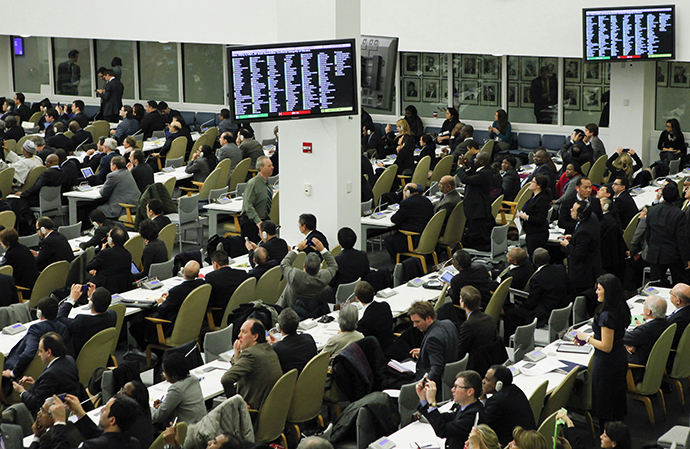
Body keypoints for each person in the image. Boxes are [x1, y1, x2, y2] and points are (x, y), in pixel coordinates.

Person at [575, 274, 630, 428]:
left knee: (605, 404)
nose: (596, 292)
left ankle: (606, 436)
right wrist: (593, 337)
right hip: (619, 358)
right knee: (615, 404)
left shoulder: (606, 315)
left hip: (606, 364)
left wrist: (586, 338)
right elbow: (610, 336)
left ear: (608, 291)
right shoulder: (620, 307)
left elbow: (606, 346)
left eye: (599, 289)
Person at [504, 248, 572, 343]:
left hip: (544, 314)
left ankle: (512, 342)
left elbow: (532, 302)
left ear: (534, 260)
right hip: (561, 307)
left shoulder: (536, 278)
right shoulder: (561, 269)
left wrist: (520, 305)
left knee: (511, 315)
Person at [13, 332, 85, 416]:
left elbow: (34, 403)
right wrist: (36, 384)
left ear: (49, 352)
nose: (39, 355)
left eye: (40, 351)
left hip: (52, 415)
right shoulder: (69, 360)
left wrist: (21, 391)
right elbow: (56, 386)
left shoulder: (51, 375)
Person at [3, 297, 68, 386]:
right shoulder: (63, 328)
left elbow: (28, 353)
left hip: (19, 376)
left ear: (39, 313)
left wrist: (12, 373)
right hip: (49, 374)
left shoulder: (36, 329)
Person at [221, 319, 283, 410]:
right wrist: (237, 355)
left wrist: (238, 403)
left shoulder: (250, 355)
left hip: (252, 412)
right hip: (273, 410)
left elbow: (226, 379)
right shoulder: (268, 349)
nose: (239, 336)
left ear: (255, 337)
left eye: (244, 332)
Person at [416, 370, 485, 449]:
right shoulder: (464, 407)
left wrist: (432, 402)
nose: (452, 389)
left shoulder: (472, 414)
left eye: (457, 387)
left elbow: (442, 430)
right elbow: (441, 418)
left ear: (470, 392)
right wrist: (423, 398)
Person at [50, 394, 141, 449]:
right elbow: (103, 437)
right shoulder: (134, 443)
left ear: (112, 420)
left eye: (105, 409)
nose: (101, 410)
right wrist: (79, 413)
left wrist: (59, 421)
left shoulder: (92, 446)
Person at [644, 183, 690, 285]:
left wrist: (652, 246)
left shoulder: (652, 210)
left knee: (656, 284)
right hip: (673, 255)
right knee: (679, 284)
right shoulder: (679, 214)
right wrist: (686, 258)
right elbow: (681, 238)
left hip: (655, 253)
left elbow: (648, 233)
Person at [278, 238, 337, 318]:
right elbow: (333, 265)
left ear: (304, 265)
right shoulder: (324, 277)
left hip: (293, 314)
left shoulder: (296, 276)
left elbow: (284, 264)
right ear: (319, 267)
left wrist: (297, 249)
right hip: (314, 313)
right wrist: (323, 250)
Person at [481, 365, 536, 446]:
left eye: (487, 380)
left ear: (498, 384)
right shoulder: (516, 390)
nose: (483, 381)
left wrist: (482, 398)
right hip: (530, 440)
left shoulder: (496, 402)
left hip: (515, 444)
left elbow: (482, 426)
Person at [408, 301, 458, 386]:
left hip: (436, 384)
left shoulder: (432, 338)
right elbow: (447, 348)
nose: (414, 325)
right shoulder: (449, 324)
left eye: (417, 322)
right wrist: (424, 351)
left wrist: (423, 385)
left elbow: (436, 369)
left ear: (428, 318)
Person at [149, 261, 204, 338]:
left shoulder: (176, 291)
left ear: (183, 271)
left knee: (136, 327)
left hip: (172, 328)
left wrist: (160, 302)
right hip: (193, 324)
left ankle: (153, 349)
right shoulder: (202, 285)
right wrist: (170, 296)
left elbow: (162, 310)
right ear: (197, 274)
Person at [57, 285, 117, 355]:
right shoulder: (113, 315)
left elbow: (60, 318)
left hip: (81, 357)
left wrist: (71, 299)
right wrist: (93, 297)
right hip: (103, 354)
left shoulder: (82, 321)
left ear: (91, 303)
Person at [151, 353, 206, 428]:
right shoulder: (193, 379)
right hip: (202, 425)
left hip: (188, 431)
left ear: (172, 374)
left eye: (165, 372)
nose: (164, 375)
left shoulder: (176, 389)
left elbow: (157, 417)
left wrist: (150, 409)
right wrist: (165, 404)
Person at [560, 200, 602, 296]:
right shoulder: (592, 217)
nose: (571, 210)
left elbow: (579, 254)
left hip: (582, 273)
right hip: (593, 263)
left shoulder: (583, 232)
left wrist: (567, 245)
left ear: (580, 216)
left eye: (574, 210)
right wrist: (573, 238)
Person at [622, 295, 668, 381]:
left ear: (648, 311)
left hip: (638, 370)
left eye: (644, 304)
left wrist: (626, 344)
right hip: (653, 364)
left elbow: (622, 337)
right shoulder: (665, 322)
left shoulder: (646, 330)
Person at [384, 183, 434, 261]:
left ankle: (401, 263)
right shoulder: (426, 200)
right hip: (426, 236)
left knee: (389, 240)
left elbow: (394, 219)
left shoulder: (407, 203)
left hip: (413, 238)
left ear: (407, 192)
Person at [456, 152, 494, 249]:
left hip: (478, 208)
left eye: (476, 159)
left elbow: (466, 180)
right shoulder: (483, 170)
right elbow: (472, 176)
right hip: (476, 206)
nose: (474, 160)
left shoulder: (484, 173)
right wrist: (467, 166)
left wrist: (460, 167)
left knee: (477, 233)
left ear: (481, 161)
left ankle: (477, 248)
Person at [85, 226, 134, 294]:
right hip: (122, 288)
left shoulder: (105, 253)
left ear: (111, 240)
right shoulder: (127, 254)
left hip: (104, 288)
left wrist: (101, 251)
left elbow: (89, 266)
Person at [270, 308, 317, 374]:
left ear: (279, 327)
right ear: (298, 325)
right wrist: (278, 343)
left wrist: (277, 345)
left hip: (290, 383)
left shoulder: (276, 349)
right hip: (310, 379)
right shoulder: (308, 338)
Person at [240, 156, 274, 243]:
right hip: (252, 223)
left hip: (263, 219)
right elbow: (248, 205)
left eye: (272, 165)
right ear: (261, 168)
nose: (272, 167)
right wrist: (259, 223)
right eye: (269, 166)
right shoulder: (253, 184)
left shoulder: (266, 183)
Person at [457, 286, 496, 359]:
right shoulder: (490, 318)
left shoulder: (467, 325)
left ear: (463, 304)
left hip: (475, 361)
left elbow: (461, 352)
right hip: (490, 357)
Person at [353, 281, 393, 351]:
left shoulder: (364, 322)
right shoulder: (385, 306)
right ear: (373, 293)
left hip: (378, 353)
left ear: (357, 298)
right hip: (390, 346)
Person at [516, 175, 551, 256]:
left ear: (539, 186)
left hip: (537, 233)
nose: (530, 183)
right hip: (531, 231)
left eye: (533, 182)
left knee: (535, 257)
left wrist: (527, 217)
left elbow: (540, 219)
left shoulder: (542, 199)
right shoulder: (534, 197)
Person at [0, 227, 39, 292]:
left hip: (23, 288)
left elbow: (4, 271)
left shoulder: (11, 254)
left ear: (5, 242)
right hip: (33, 285)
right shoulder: (25, 248)